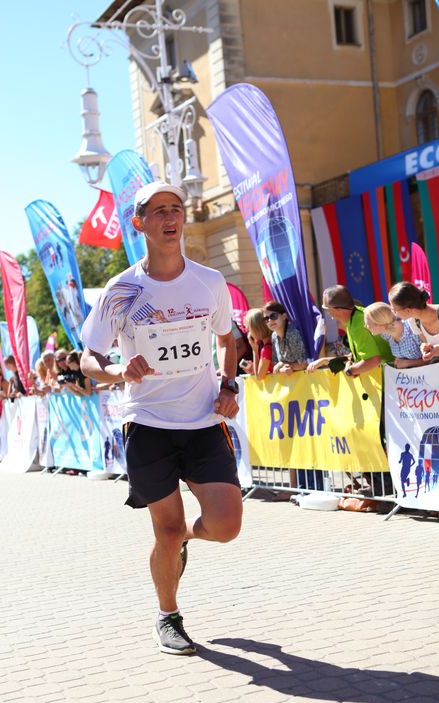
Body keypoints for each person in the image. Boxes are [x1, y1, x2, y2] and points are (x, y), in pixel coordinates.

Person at [80, 180, 242, 656]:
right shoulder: (122, 290)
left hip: (203, 421)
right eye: (159, 211)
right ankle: (167, 616)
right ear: (139, 223)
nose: (171, 217)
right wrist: (117, 371)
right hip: (148, 423)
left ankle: (187, 537)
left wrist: (228, 385)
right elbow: (88, 358)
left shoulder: (209, 281)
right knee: (165, 529)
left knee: (226, 526)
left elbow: (227, 340)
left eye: (176, 209)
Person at [309, 285, 392, 377]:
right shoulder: (354, 317)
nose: (328, 313)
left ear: (338, 309)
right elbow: (358, 357)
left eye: (328, 309)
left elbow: (373, 360)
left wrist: (350, 371)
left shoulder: (358, 325)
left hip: (389, 377)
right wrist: (325, 361)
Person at [388, 282, 439, 361]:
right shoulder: (414, 321)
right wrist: (426, 348)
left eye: (394, 309)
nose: (394, 313)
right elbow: (437, 352)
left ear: (408, 310)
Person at [363, 302, 426, 369]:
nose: (365, 326)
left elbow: (432, 358)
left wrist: (408, 363)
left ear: (379, 322)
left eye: (368, 323)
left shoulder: (413, 329)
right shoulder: (385, 335)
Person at [264, 301, 307, 374]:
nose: (270, 320)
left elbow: (304, 363)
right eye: (266, 318)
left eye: (273, 316)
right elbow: (275, 363)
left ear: (284, 316)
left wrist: (284, 365)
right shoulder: (274, 336)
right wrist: (281, 368)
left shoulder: (292, 333)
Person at [242, 308, 272, 379]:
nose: (248, 333)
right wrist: (252, 369)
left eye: (248, 329)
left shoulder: (267, 349)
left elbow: (258, 376)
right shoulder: (268, 343)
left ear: (255, 329)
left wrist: (254, 350)